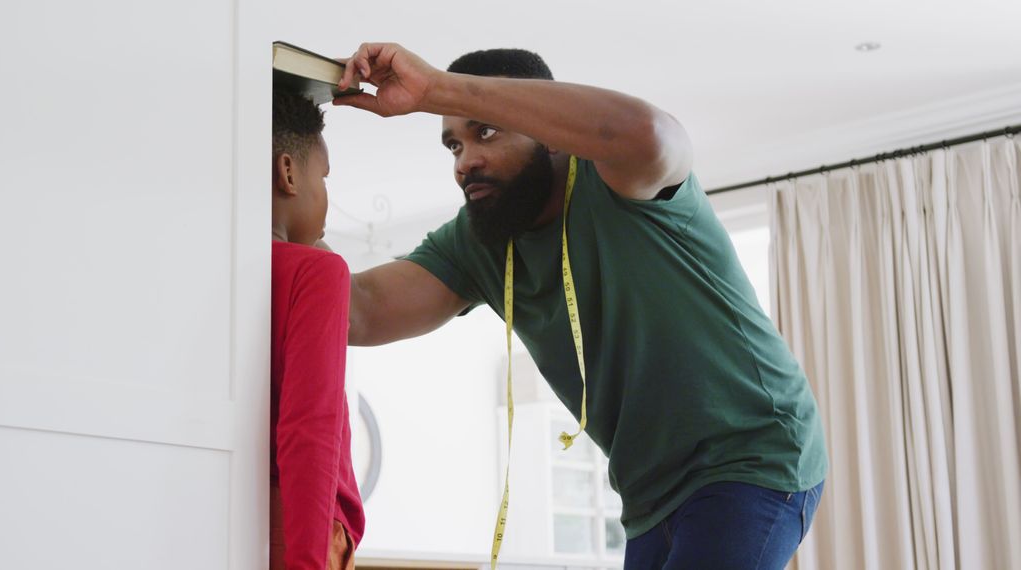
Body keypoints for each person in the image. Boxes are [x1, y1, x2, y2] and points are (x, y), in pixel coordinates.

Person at [333, 43, 827, 569]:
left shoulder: (619, 177)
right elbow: (357, 310)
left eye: (487, 131)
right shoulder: (478, 242)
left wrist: (436, 89)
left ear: (544, 126)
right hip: (649, 496)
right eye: (453, 145)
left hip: (750, 455)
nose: (466, 161)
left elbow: (651, 133)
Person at [270, 81, 364, 569]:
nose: (327, 195)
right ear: (288, 171)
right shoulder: (318, 271)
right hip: (301, 531)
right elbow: (311, 427)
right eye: (323, 177)